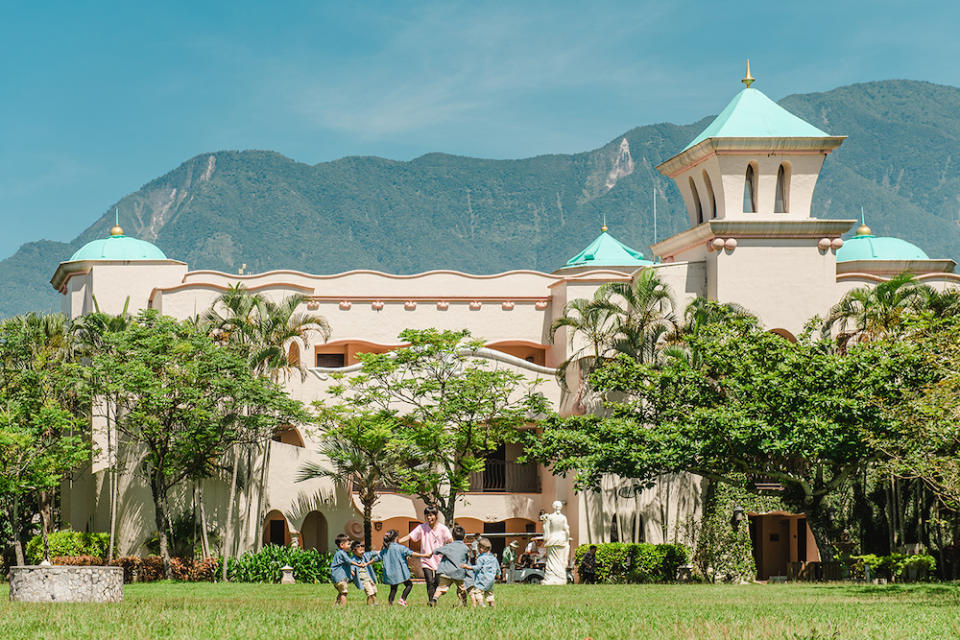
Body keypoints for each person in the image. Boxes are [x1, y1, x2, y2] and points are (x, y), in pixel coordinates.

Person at [399, 505, 452, 603]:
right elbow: (410, 536)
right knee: (429, 581)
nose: (429, 518)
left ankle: (434, 599)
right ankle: (431, 601)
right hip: (426, 559)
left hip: (439, 560)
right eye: (427, 515)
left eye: (431, 515)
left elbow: (450, 540)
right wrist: (398, 541)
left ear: (436, 516)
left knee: (437, 581)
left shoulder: (443, 528)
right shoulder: (422, 528)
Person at [379, 528, 431, 606]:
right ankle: (402, 599)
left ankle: (390, 604)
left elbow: (378, 556)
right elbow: (411, 553)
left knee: (393, 588)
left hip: (391, 573)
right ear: (396, 538)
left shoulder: (385, 549)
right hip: (400, 573)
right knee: (409, 584)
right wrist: (424, 555)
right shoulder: (400, 548)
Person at [429, 524, 470, 607]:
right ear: (464, 537)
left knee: (441, 588)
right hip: (459, 572)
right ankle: (464, 603)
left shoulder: (448, 546)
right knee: (462, 589)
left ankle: (434, 599)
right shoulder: (465, 548)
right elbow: (467, 559)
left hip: (446, 572)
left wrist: (431, 553)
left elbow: (437, 551)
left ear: (453, 536)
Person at [461, 537, 501, 608]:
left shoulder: (480, 558)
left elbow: (478, 567)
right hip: (491, 580)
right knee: (489, 594)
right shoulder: (494, 558)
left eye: (478, 548)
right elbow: (497, 568)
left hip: (482, 579)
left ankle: (481, 604)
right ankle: (493, 606)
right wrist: (498, 575)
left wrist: (467, 567)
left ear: (482, 548)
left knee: (478, 592)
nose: (478, 550)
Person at [330, 533, 360, 605]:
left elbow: (346, 564)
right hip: (340, 578)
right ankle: (343, 607)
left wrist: (351, 571)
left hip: (336, 578)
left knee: (341, 592)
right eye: (348, 544)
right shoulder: (342, 553)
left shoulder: (341, 553)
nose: (350, 546)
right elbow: (350, 561)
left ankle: (337, 604)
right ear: (342, 545)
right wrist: (359, 565)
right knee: (344, 592)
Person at [350, 540, 380, 605]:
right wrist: (352, 573)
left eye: (363, 550)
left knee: (374, 590)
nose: (362, 552)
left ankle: (368, 604)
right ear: (354, 551)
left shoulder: (365, 555)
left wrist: (381, 551)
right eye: (360, 551)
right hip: (363, 579)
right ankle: (375, 602)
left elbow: (374, 553)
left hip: (369, 577)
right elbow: (352, 568)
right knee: (370, 591)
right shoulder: (353, 560)